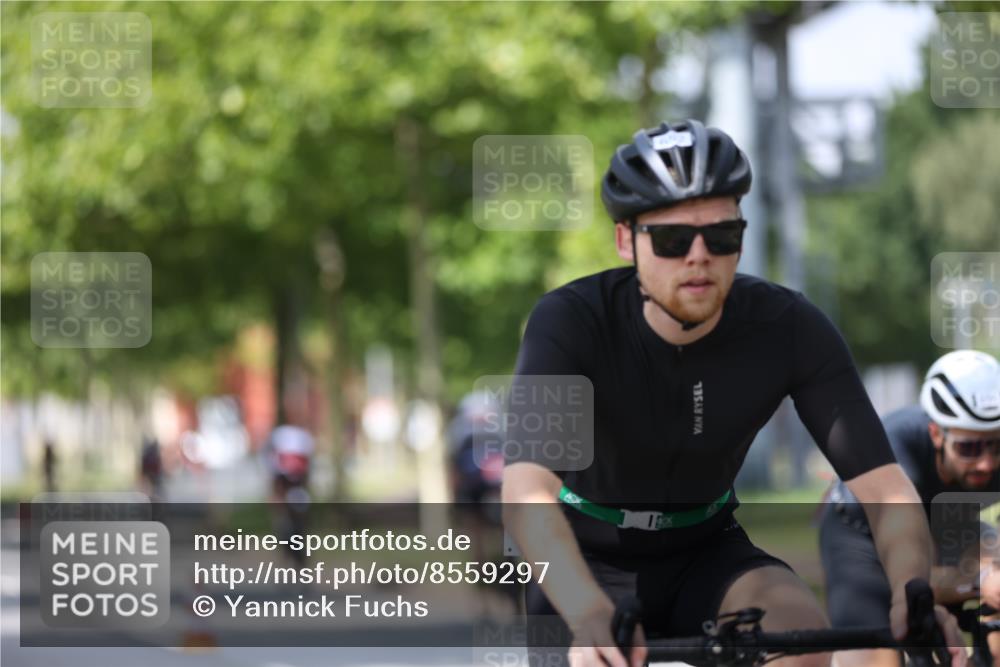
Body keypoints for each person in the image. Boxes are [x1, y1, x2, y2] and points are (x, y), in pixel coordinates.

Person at [501, 119, 967, 667]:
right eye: (673, 239)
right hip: (584, 554)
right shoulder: (569, 321)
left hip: (707, 548)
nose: (699, 256)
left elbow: (886, 490)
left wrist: (910, 590)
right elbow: (526, 489)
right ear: (626, 239)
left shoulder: (788, 326)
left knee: (799, 636)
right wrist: (585, 612)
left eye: (722, 236)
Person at [820, 350, 1000, 667]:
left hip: (948, 525)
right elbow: (917, 573)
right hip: (864, 536)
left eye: (997, 445)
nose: (987, 463)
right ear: (936, 433)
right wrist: (981, 577)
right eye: (969, 447)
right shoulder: (897, 443)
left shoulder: (982, 458)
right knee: (876, 659)